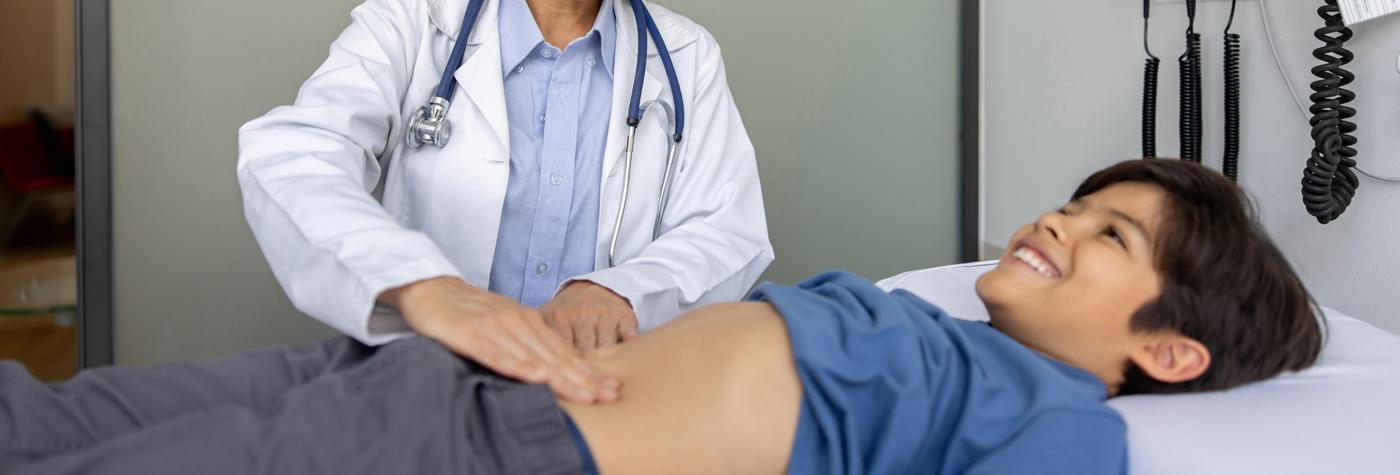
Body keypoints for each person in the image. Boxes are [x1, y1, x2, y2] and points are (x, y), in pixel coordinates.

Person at [1, 160, 1323, 474]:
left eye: (1109, 238)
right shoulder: (934, 322)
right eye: (1075, 203)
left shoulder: (1051, 413)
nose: (1057, 223)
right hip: (448, 373)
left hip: (489, 450)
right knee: (50, 413)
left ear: (1165, 347)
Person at [236, 0, 773, 404]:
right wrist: (420, 285)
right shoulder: (415, 18)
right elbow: (298, 155)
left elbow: (727, 227)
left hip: (600, 397)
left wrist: (624, 292)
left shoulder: (685, 54)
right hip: (424, 390)